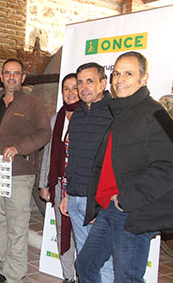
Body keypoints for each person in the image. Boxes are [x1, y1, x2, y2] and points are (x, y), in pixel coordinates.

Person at [76, 52, 173, 282]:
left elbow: (169, 167)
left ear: (144, 78)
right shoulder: (120, 112)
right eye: (117, 73)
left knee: (126, 277)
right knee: (86, 264)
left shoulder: (156, 114)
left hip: (133, 211)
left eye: (128, 74)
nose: (120, 79)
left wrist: (126, 199)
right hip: (111, 207)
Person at [0, 59, 51, 283]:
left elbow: (45, 133)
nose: (12, 77)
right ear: (2, 77)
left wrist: (19, 147)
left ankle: (14, 276)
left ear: (23, 78)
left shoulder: (32, 104)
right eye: (8, 73)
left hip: (20, 172)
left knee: (16, 223)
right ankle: (6, 271)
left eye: (16, 74)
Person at [61, 62, 114, 282]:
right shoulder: (77, 116)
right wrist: (66, 194)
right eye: (80, 82)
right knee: (84, 259)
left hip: (101, 202)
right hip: (76, 199)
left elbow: (116, 164)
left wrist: (100, 202)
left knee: (105, 262)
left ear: (103, 83)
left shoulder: (114, 115)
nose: (83, 87)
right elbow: (70, 158)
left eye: (90, 81)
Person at [39, 73, 80, 283]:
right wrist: (44, 184)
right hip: (58, 184)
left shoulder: (88, 114)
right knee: (62, 231)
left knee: (81, 233)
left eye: (75, 87)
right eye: (66, 88)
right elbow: (48, 152)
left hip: (80, 187)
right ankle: (68, 277)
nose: (71, 92)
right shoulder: (57, 117)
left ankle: (84, 275)